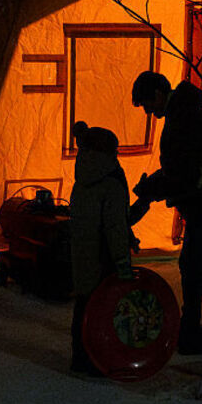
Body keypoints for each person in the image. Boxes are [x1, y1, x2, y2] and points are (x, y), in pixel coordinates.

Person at [131, 71, 202, 355]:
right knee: (197, 267)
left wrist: (151, 189)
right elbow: (179, 167)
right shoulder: (185, 114)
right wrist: (153, 187)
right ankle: (198, 330)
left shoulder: (183, 119)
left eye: (147, 104)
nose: (148, 112)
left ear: (158, 94)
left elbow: (182, 173)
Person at [68, 121, 134, 375]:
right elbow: (114, 227)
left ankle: (81, 358)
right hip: (104, 255)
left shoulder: (82, 178)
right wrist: (122, 262)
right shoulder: (111, 182)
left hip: (83, 252)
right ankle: (99, 360)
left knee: (84, 305)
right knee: (105, 308)